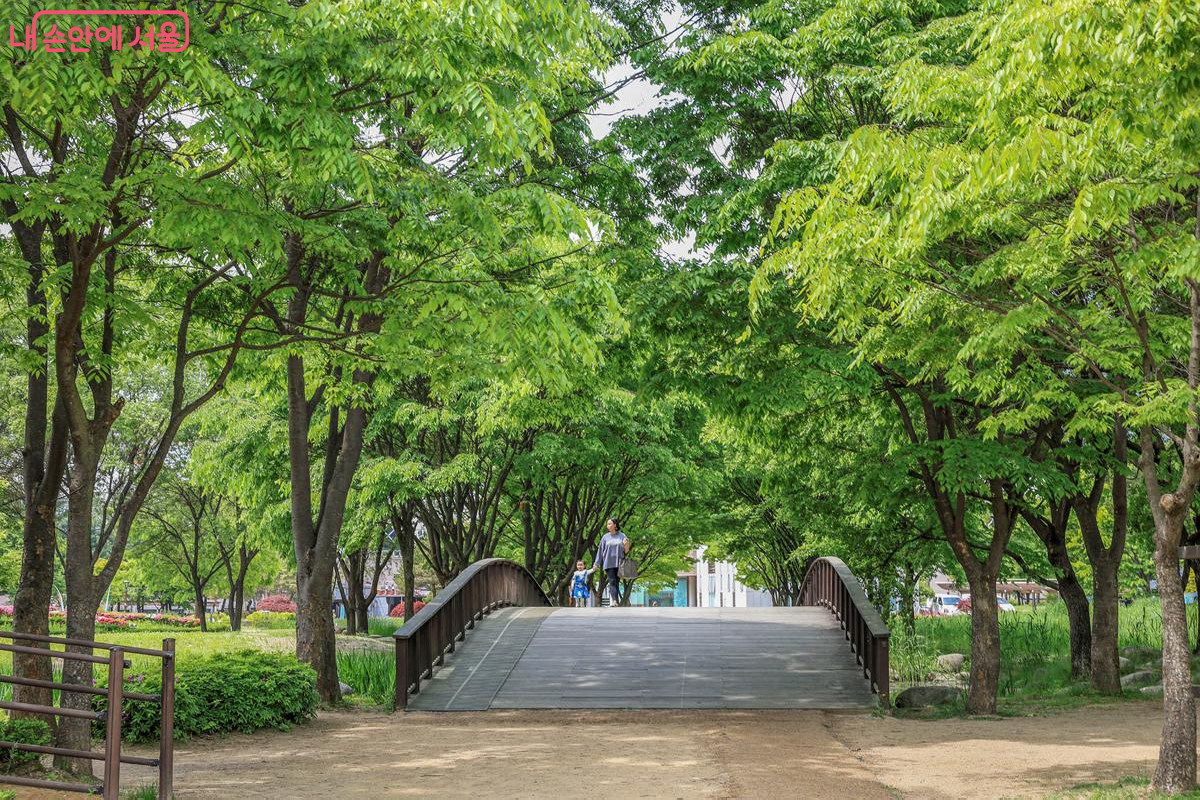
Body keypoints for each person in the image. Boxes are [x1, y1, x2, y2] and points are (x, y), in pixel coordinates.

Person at [593, 518, 631, 607]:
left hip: (619, 563)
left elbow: (626, 551)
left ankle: (615, 600)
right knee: (612, 581)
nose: (608, 526)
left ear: (615, 525)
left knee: (616, 582)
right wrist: (596, 563)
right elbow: (600, 551)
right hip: (608, 563)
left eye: (610, 524)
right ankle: (614, 600)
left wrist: (626, 544)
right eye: (607, 524)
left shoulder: (622, 535)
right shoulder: (605, 537)